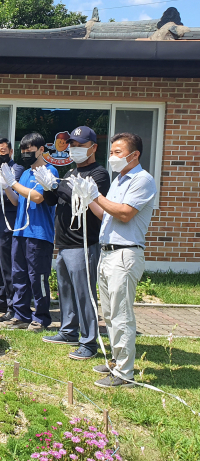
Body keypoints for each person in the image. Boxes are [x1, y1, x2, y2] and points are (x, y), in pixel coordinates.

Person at [87, 132, 156, 388]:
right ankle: (116, 360)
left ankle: (125, 373)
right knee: (110, 313)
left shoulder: (142, 180)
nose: (112, 157)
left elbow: (125, 214)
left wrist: (97, 195)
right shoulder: (118, 180)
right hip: (107, 253)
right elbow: (104, 214)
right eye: (112, 152)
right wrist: (89, 198)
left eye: (118, 152)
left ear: (134, 154)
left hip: (125, 253)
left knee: (121, 313)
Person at [39, 126, 111, 360]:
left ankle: (89, 341)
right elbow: (55, 200)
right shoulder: (70, 173)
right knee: (66, 291)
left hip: (83, 243)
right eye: (72, 145)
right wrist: (48, 187)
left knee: (84, 294)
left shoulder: (98, 174)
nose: (74, 149)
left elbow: (80, 196)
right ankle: (68, 330)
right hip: (64, 243)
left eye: (80, 146)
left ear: (93, 147)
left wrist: (58, 185)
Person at [0, 133, 58, 332]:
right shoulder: (26, 174)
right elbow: (15, 201)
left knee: (37, 277)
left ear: (41, 150)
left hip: (39, 234)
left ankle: (41, 317)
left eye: (30, 150)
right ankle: (21, 315)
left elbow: (38, 197)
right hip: (20, 232)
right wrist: (6, 186)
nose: (26, 154)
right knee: (18, 275)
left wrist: (12, 183)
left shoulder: (50, 170)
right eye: (23, 151)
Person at [0, 138, 24, 320]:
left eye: (2, 151)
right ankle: (0, 300)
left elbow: (10, 197)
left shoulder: (16, 170)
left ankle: (12, 305)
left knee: (8, 267)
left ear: (10, 152)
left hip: (7, 225)